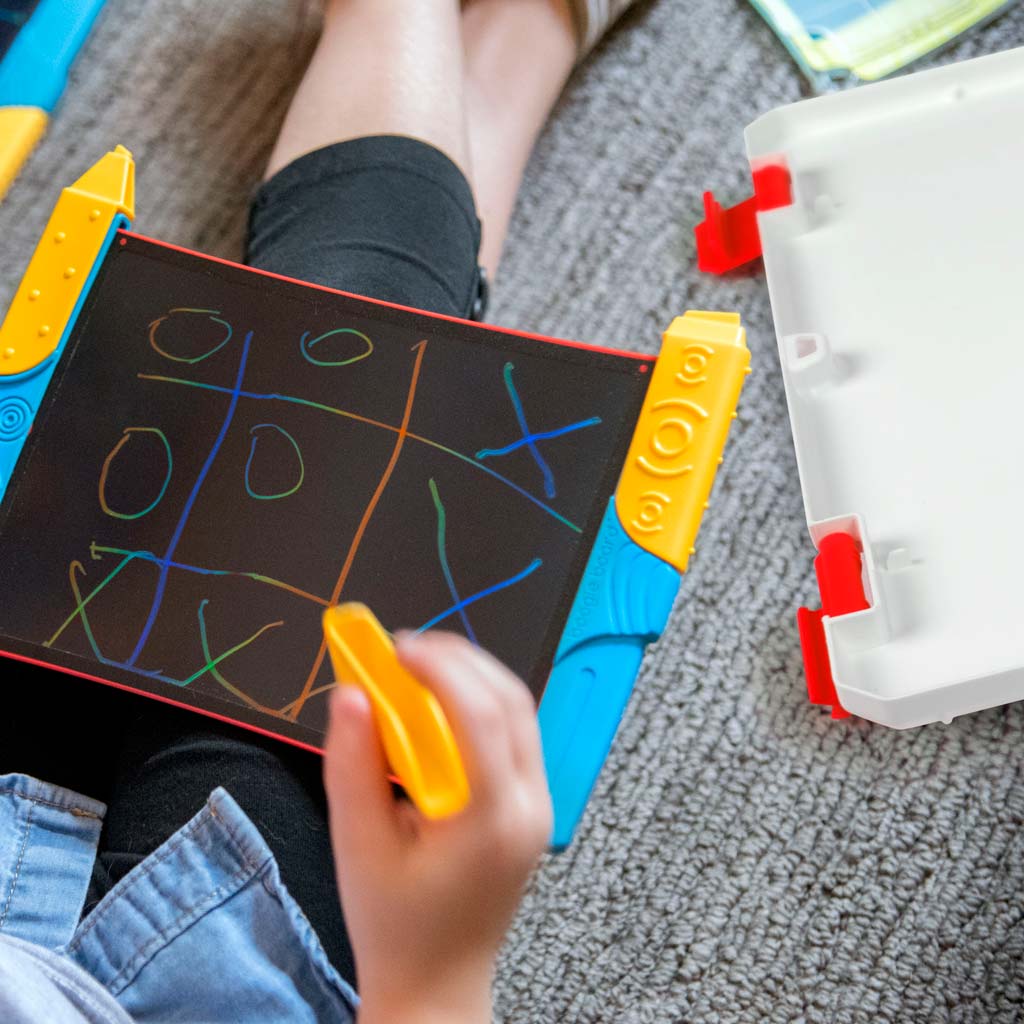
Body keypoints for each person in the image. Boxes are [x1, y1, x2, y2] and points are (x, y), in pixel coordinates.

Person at [0, 1, 637, 1020]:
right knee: (343, 405)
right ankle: (495, 42)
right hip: (195, 990)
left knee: (297, 399)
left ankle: (490, 45)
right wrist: (434, 980)